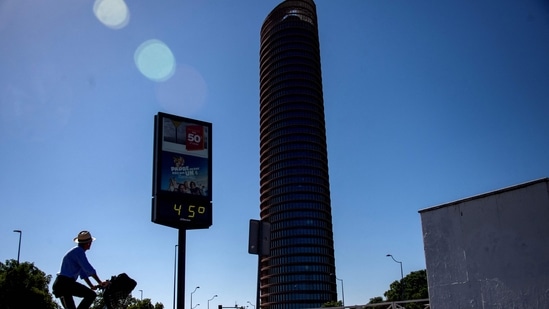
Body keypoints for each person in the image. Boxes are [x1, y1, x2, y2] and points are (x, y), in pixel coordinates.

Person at [52, 231, 107, 309]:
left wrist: (91, 286)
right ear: (88, 243)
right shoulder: (79, 252)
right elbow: (88, 269)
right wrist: (100, 282)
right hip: (65, 283)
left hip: (61, 284)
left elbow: (83, 273)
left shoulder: (76, 251)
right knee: (91, 295)